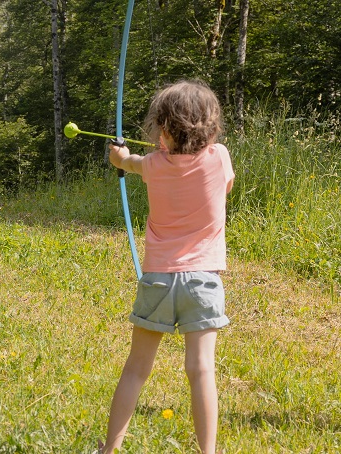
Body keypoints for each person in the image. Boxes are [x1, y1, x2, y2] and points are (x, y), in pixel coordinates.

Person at [101, 80, 235, 454]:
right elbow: (224, 186)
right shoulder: (219, 156)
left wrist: (120, 154)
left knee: (136, 369)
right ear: (209, 127)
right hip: (203, 282)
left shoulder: (152, 165)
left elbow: (123, 161)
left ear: (164, 128)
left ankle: (109, 449)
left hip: (158, 279)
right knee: (202, 370)